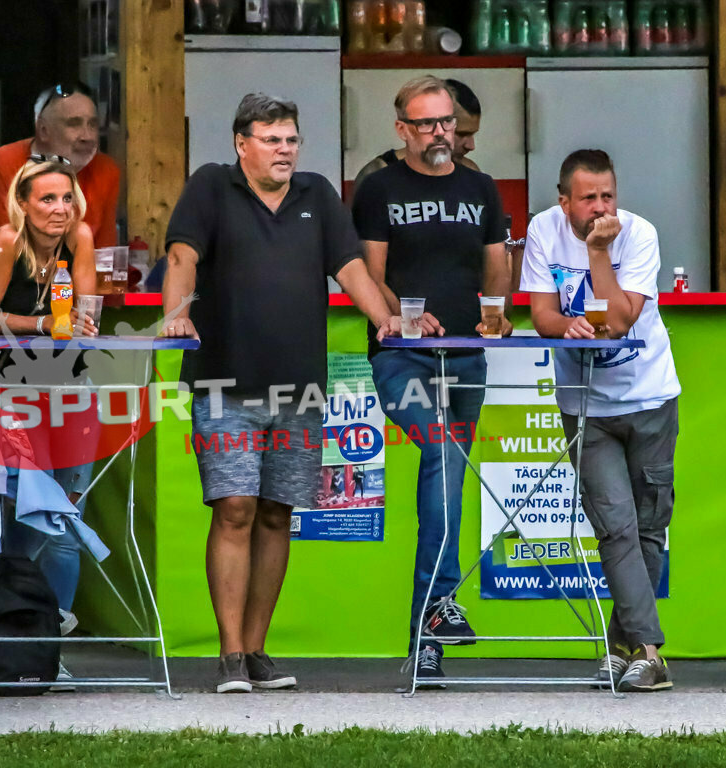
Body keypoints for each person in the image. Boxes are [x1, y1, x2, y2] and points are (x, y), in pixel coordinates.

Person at [161, 93, 398, 694]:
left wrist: (385, 320)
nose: (285, 150)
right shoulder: (212, 186)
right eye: (272, 139)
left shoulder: (317, 194)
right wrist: (175, 312)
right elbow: (183, 253)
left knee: (276, 513)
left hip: (300, 386)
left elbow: (349, 268)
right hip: (225, 379)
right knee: (235, 506)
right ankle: (230, 654)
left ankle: (259, 649)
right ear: (243, 144)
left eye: (291, 139)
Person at [351, 75, 512, 684]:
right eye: (426, 124)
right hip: (402, 358)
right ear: (402, 130)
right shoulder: (379, 188)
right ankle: (439, 609)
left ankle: (427, 640)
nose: (440, 133)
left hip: (468, 357)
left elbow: (497, 266)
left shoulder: (481, 188)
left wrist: (496, 314)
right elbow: (370, 273)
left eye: (446, 122)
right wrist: (405, 318)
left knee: (449, 478)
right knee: (442, 454)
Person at [520, 149, 680, 692]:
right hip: (584, 402)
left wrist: (597, 253)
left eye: (607, 195)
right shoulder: (543, 230)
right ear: (564, 200)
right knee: (614, 525)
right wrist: (564, 326)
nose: (600, 207)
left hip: (650, 395)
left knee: (648, 527)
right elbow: (540, 313)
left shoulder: (639, 234)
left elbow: (617, 319)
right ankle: (652, 653)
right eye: (587, 198)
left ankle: (621, 646)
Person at [0, 157, 98, 684]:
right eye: (47, 199)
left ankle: (49, 645)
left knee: (67, 519)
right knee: (25, 515)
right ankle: (4, 634)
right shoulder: (5, 240)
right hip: (11, 389)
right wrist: (42, 324)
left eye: (67, 198)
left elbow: (83, 314)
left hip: (70, 385)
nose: (60, 210)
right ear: (23, 203)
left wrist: (80, 323)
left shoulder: (81, 237)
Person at [0, 83, 120, 247]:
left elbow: (105, 257)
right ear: (43, 130)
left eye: (92, 124)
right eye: (74, 123)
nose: (88, 136)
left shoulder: (106, 170)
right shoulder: (3, 164)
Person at [352, 78, 483, 194]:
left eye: (472, 134)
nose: (471, 146)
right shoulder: (377, 176)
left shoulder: (471, 175)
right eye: (461, 134)